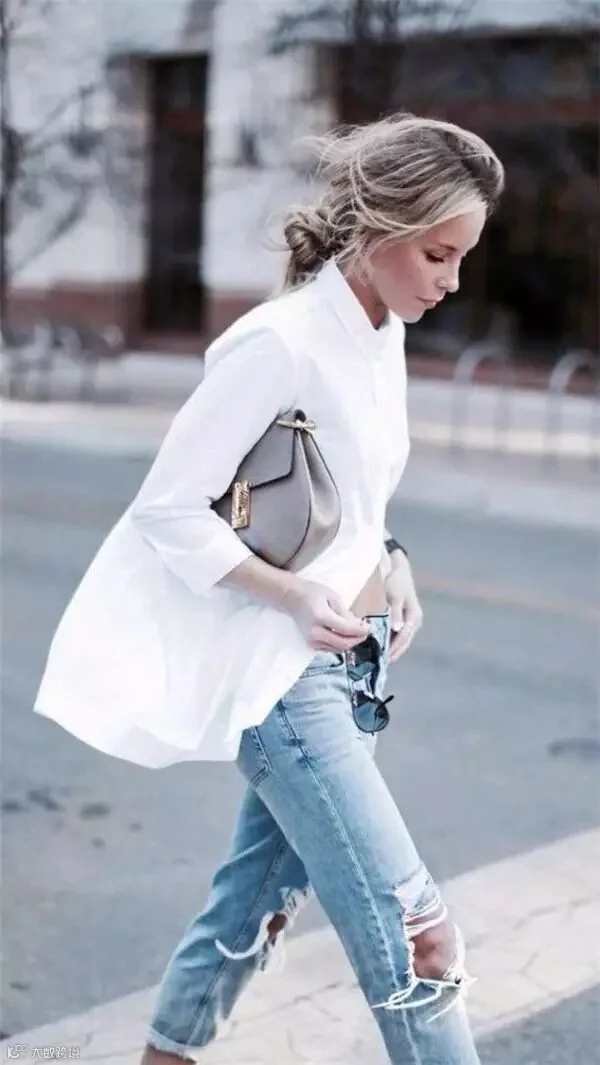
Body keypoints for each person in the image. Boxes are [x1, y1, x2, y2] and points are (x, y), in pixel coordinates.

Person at [34, 113, 504, 1063]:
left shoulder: (383, 330)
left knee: (251, 906)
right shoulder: (279, 342)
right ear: (378, 227)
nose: (452, 282)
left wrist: (394, 562)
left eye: (462, 258)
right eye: (438, 255)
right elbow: (169, 508)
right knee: (419, 939)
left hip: (358, 669)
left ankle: (166, 1052)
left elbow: (353, 497)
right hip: (285, 682)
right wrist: (287, 593)